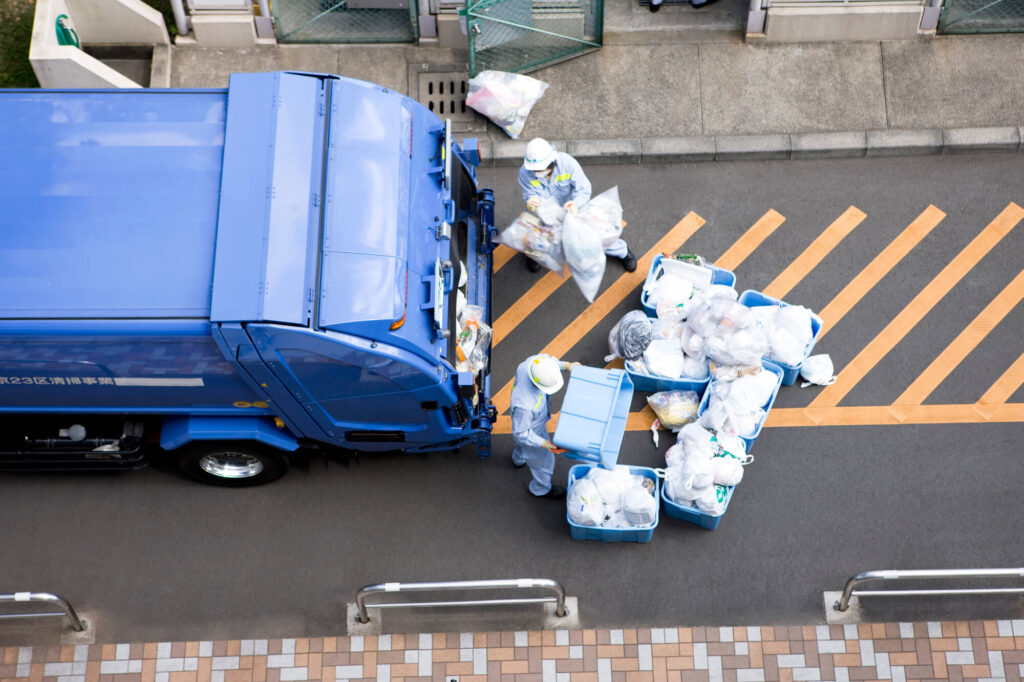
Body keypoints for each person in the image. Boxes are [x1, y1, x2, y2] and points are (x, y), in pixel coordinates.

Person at [518, 138, 637, 274]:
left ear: (551, 162)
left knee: (595, 237)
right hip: (545, 212)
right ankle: (535, 255)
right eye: (534, 169)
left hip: (572, 209)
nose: (536, 172)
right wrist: (532, 201)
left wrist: (575, 204)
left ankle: (622, 251)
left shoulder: (567, 164)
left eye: (539, 169)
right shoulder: (525, 172)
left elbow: (584, 189)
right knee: (535, 235)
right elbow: (529, 194)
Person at [509, 354, 578, 499]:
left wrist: (566, 365)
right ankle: (540, 488)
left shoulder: (530, 365)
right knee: (543, 463)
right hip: (533, 431)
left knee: (522, 447)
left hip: (526, 422)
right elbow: (521, 433)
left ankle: (518, 459)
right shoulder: (525, 406)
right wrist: (543, 443)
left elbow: (549, 363)